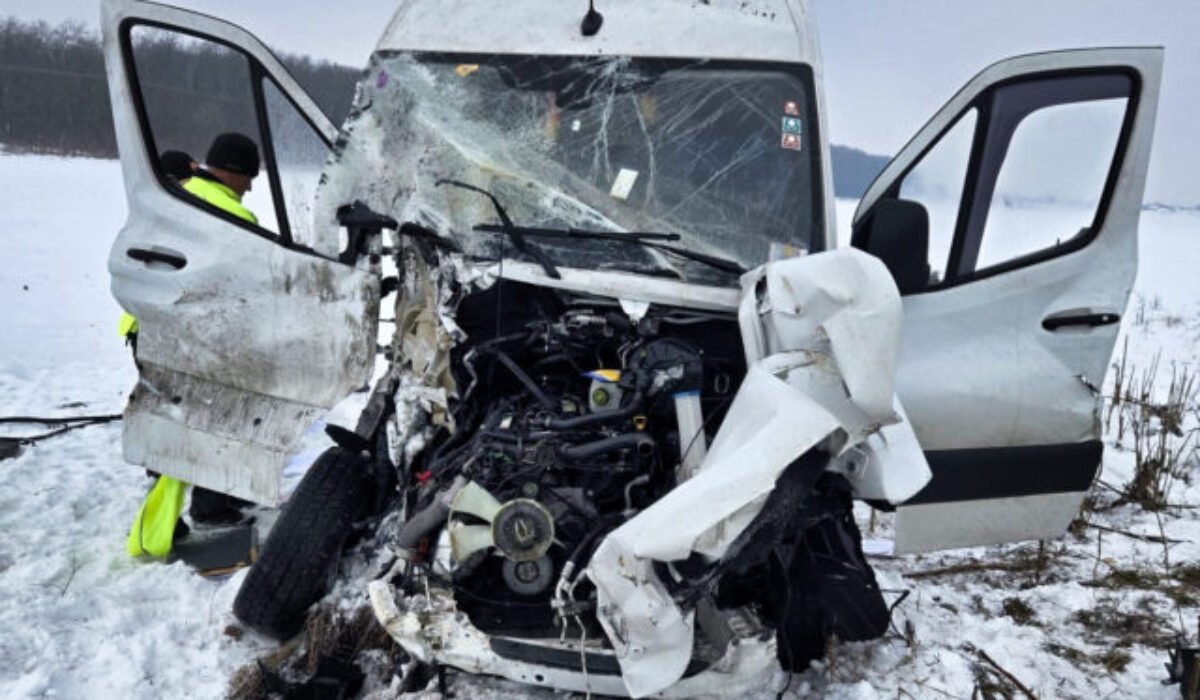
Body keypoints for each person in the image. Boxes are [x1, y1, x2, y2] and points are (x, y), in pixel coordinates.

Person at [127, 133, 262, 557]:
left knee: (184, 419)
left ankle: (211, 499)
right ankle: (202, 511)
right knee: (212, 420)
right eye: (250, 177)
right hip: (186, 336)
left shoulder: (180, 193)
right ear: (234, 171)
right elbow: (252, 286)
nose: (252, 186)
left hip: (148, 325)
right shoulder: (231, 213)